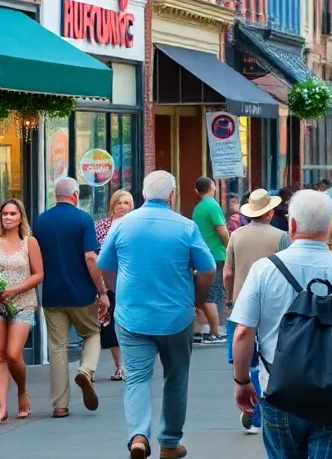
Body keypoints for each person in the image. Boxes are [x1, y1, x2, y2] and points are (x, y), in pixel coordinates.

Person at [230, 190, 332, 458]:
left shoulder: (264, 270)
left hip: (279, 390)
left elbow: (244, 332)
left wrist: (242, 380)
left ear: (291, 225)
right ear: (329, 226)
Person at [97, 170, 216, 459]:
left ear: (143, 195)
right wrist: (197, 299)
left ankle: (138, 435)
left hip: (132, 316)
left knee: (136, 377)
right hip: (176, 316)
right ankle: (170, 442)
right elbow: (208, 268)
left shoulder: (123, 226)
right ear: (172, 195)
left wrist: (118, 292)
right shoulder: (185, 227)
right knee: (176, 377)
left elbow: (104, 265)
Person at [33, 177, 110, 419]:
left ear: (56, 195)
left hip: (52, 295)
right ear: (75, 196)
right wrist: (102, 292)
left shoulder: (41, 222)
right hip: (81, 294)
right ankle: (86, 371)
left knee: (57, 347)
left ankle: (60, 405)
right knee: (92, 333)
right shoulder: (83, 219)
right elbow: (90, 258)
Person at [222, 188, 290, 435]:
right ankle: (262, 412)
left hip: (242, 306)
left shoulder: (236, 235)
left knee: (247, 361)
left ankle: (251, 408)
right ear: (270, 212)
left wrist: (230, 299)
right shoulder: (282, 236)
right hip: (274, 307)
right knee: (271, 361)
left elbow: (228, 273)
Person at [0, 198, 42, 424]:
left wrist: (13, 290)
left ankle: (22, 391)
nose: (7, 218)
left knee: (14, 354)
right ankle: (2, 408)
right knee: (0, 354)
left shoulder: (29, 242)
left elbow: (38, 274)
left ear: (20, 217)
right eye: (4, 214)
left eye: (12, 214)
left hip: (22, 302)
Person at [96, 189, 134, 382]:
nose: (121, 206)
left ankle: (132, 363)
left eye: (125, 202)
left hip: (132, 281)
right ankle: (119, 365)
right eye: (118, 202)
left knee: (130, 324)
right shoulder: (102, 225)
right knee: (110, 325)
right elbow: (95, 254)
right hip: (108, 282)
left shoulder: (137, 225)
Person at [190, 176, 230, 345]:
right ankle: (214, 331)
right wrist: (229, 247)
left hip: (201, 255)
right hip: (216, 254)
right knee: (211, 295)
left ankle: (199, 330)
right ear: (213, 187)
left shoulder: (198, 208)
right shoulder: (213, 205)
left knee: (201, 294)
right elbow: (222, 231)